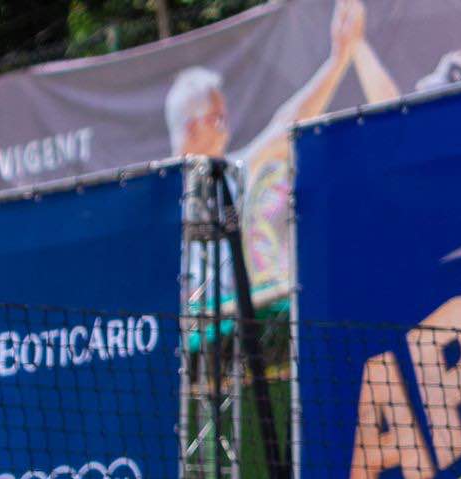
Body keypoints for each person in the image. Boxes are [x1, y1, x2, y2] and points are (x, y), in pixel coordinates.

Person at [166, 0, 400, 306]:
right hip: (194, 323)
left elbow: (284, 127)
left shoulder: (233, 172)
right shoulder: (161, 194)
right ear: (191, 128)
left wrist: (340, 57)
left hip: (246, 317)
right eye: (217, 119)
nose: (226, 128)